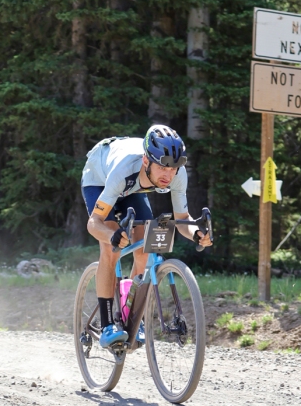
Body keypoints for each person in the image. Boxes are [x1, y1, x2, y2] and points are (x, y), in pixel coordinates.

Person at [81, 124, 213, 347]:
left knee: (145, 248)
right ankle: (106, 325)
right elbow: (94, 223)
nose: (168, 175)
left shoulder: (177, 174)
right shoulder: (123, 171)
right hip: (101, 177)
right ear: (146, 161)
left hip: (134, 188)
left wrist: (197, 234)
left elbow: (182, 219)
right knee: (111, 247)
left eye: (173, 169)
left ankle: (130, 311)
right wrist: (111, 236)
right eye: (163, 168)